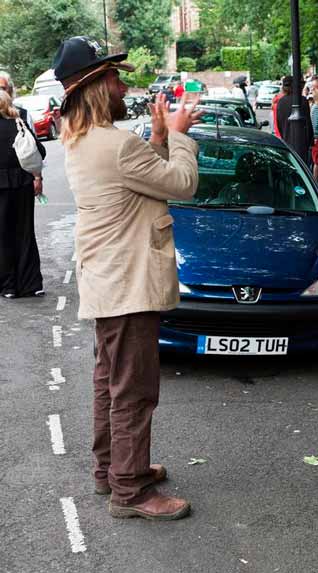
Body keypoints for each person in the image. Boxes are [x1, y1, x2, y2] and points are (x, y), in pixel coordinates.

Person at [54, 36, 201, 520]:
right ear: (97, 87)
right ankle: (130, 491)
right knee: (134, 390)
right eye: (115, 77)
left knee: (108, 382)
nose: (124, 85)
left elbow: (141, 177)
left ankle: (111, 471)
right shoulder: (116, 145)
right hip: (127, 285)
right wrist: (179, 134)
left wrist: (157, 140)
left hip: (107, 281)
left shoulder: (83, 138)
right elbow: (181, 183)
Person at [0, 72, 46, 299]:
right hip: (23, 183)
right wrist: (37, 177)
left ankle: (8, 285)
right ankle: (31, 283)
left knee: (3, 235)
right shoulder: (19, 121)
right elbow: (40, 151)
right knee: (25, 232)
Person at [275, 75, 313, 161]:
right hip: (302, 141)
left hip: (287, 138)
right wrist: (310, 141)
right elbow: (308, 123)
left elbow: (279, 123)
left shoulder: (281, 102)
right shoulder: (302, 100)